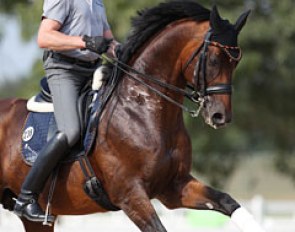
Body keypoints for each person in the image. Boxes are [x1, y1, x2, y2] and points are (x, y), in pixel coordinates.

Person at [14, 0, 119, 223]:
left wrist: (123, 51)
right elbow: (44, 37)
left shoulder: (97, 2)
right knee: (71, 130)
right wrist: (85, 41)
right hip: (64, 70)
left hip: (91, 70)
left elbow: (108, 40)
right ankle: (26, 197)